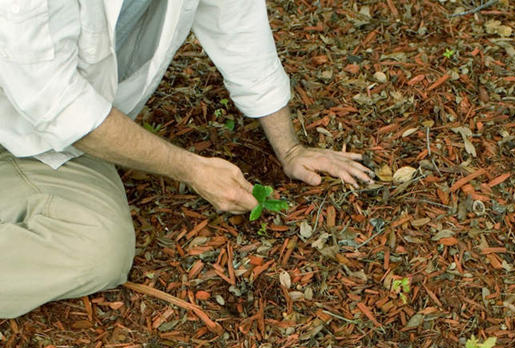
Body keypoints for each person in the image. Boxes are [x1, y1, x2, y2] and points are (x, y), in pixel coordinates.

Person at [0, 0, 373, 320]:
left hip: (44, 142)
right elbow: (60, 105)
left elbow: (237, 23)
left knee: (98, 250)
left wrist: (290, 150)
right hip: (35, 121)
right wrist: (192, 169)